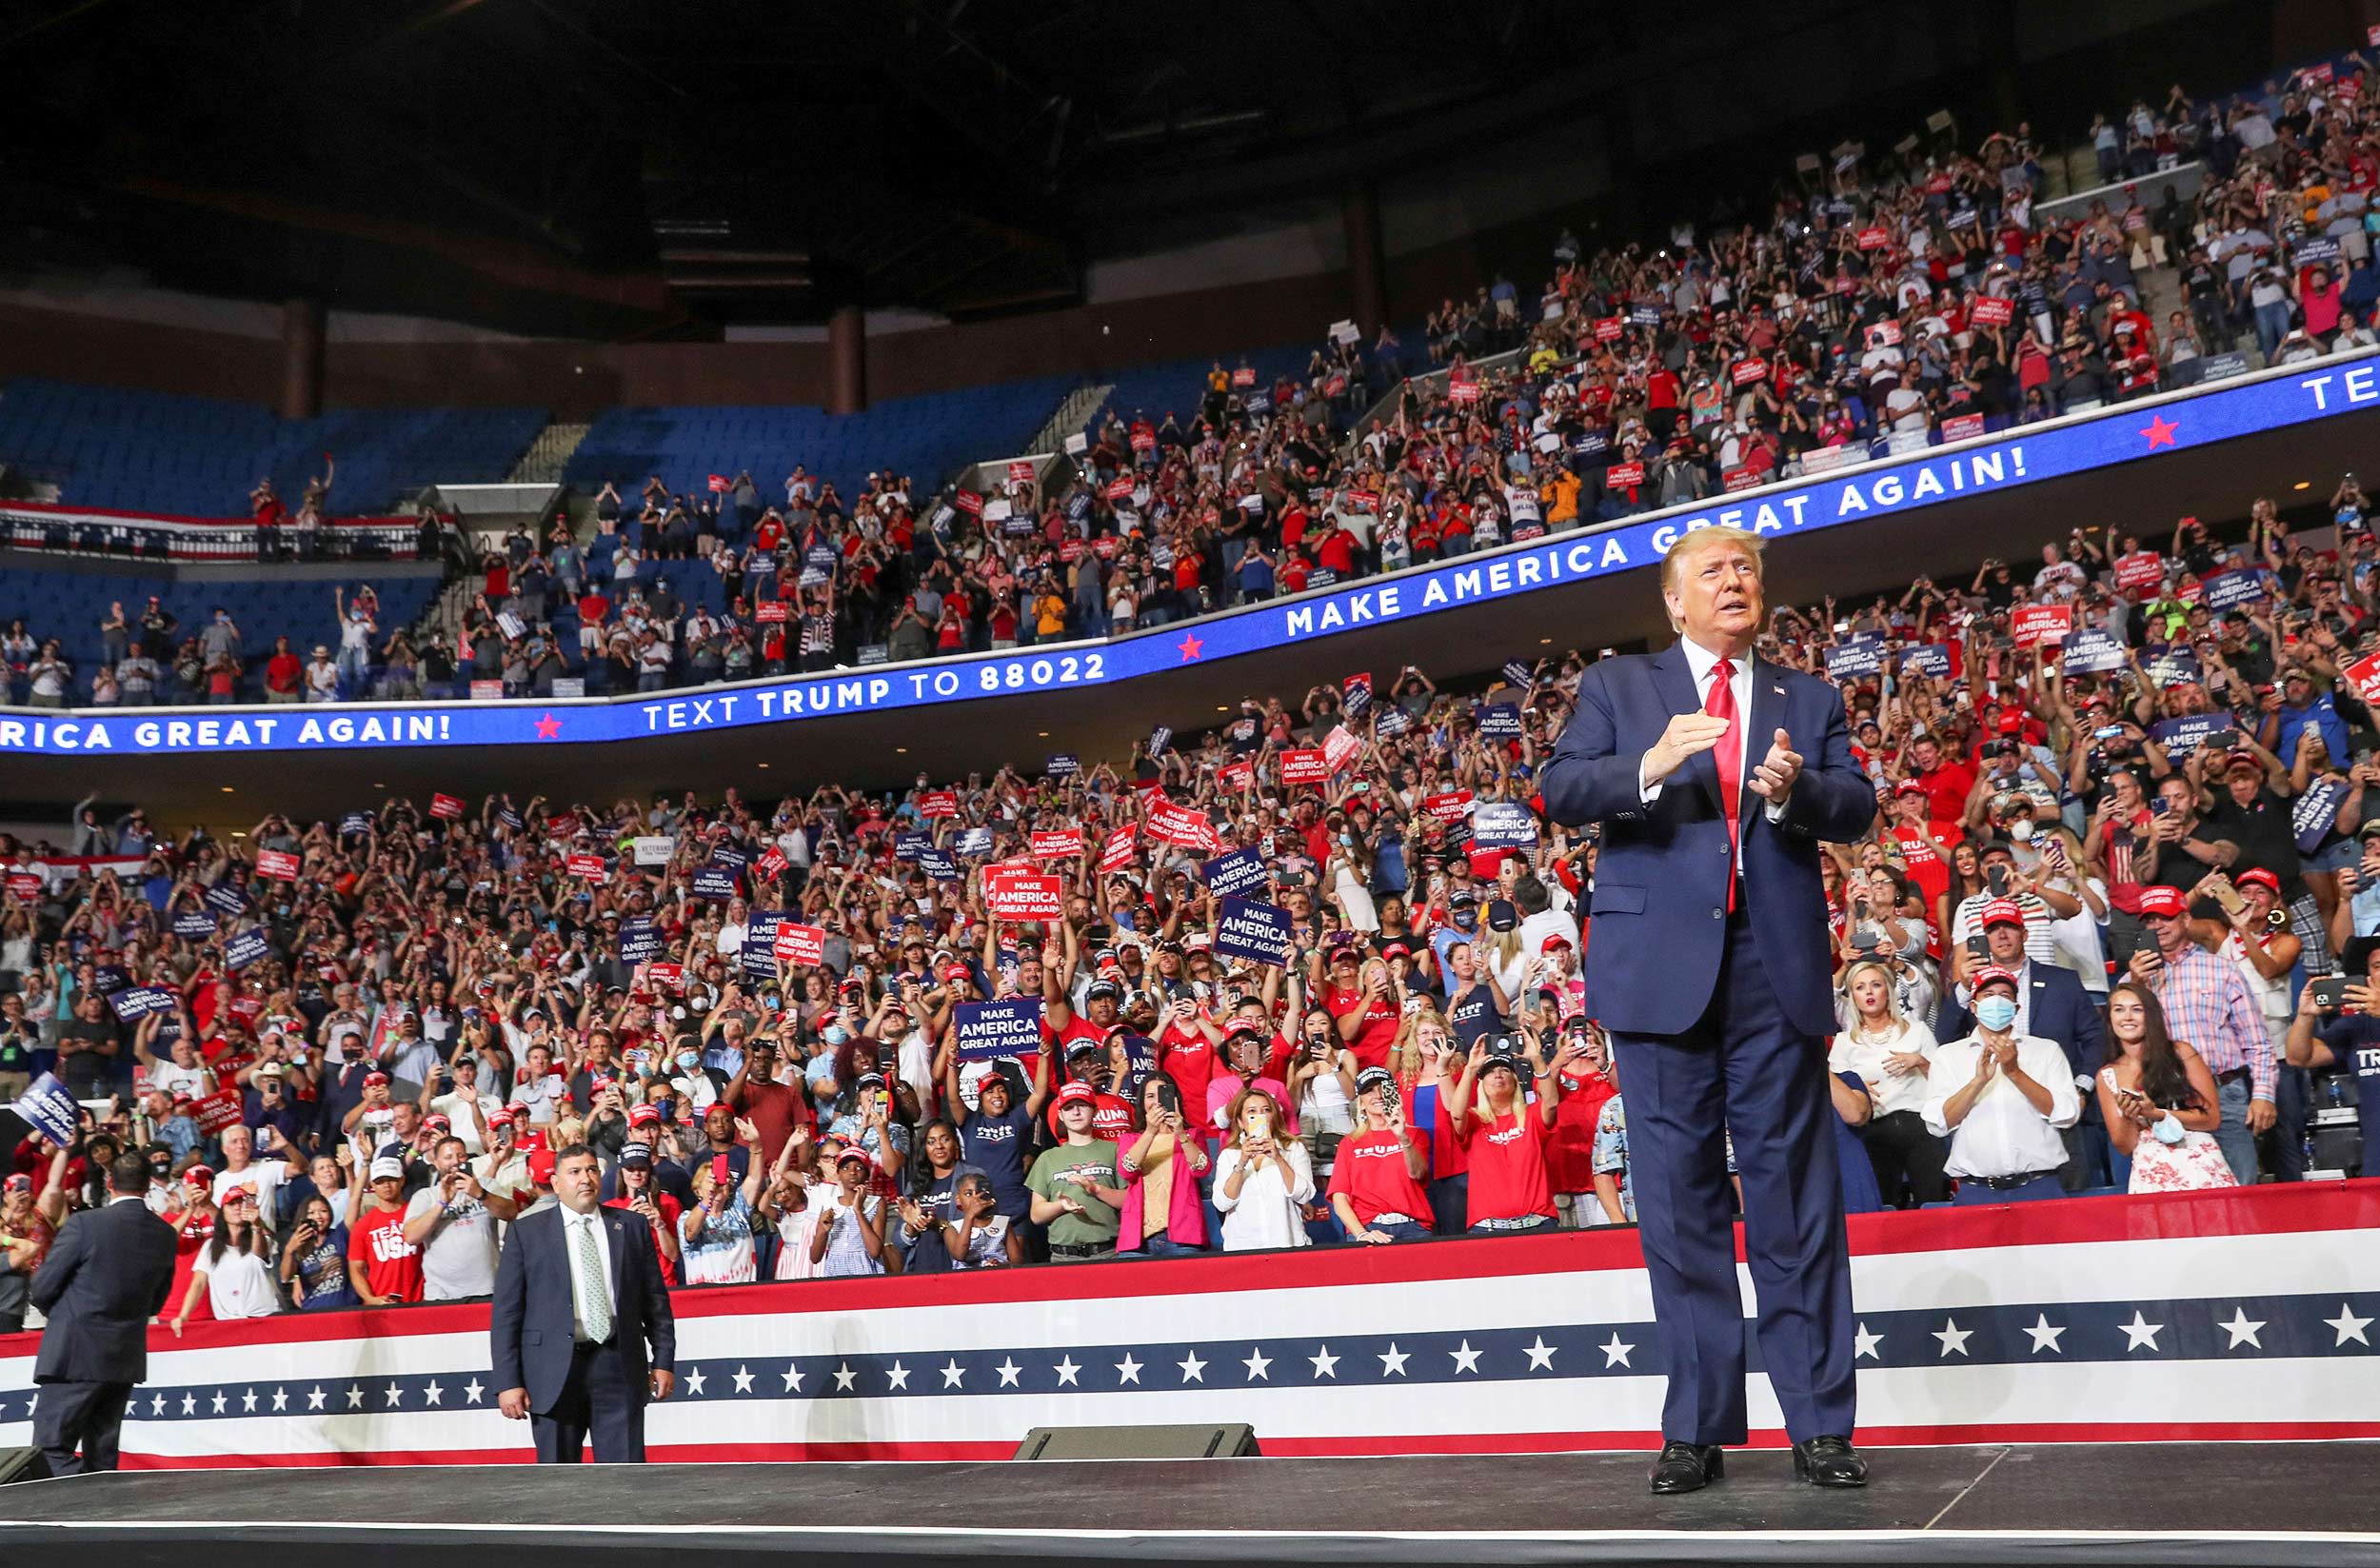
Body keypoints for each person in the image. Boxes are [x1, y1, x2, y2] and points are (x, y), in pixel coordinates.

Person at [1538, 526, 1876, 1492]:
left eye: (1747, 570)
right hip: (1657, 975)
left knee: (1795, 1202)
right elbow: (1560, 787)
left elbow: (1856, 804)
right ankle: (1696, 1426)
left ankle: (1820, 1425)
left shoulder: (1808, 697)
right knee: (1679, 1207)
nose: (1735, 582)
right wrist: (1647, 765)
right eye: (1714, 571)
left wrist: (1797, 792)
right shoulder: (1618, 686)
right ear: (1674, 601)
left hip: (1774, 969)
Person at [490, 1143, 678, 1464]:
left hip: (618, 1364)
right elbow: (507, 1314)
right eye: (574, 1172)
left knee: (625, 1479)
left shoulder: (631, 1226)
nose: (585, 1178)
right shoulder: (526, 1233)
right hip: (551, 1373)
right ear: (556, 1183)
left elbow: (655, 1301)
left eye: (592, 1170)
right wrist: (508, 1382)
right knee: (559, 1481)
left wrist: (663, 1361)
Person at [29, 1149, 177, 1476]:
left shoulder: (85, 1224)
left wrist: (64, 1315)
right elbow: (156, 1302)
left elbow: (42, 1287)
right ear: (147, 1185)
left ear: (110, 1182)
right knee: (103, 1458)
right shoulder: (165, 1234)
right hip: (123, 1357)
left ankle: (77, 1501)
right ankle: (97, 1506)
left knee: (51, 1448)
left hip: (74, 1354)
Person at [2129, 883, 2272, 1183]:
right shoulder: (2134, 979)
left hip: (2224, 1092)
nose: (2157, 926)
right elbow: (2123, 1043)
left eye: (2166, 917)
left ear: (2185, 919)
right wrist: (2136, 984)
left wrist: (2263, 1095)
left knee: (2239, 1189)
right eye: (2150, 920)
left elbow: (2257, 1042)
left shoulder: (2222, 969)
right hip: (2163, 1097)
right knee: (2177, 1192)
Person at [1920, 966, 2083, 1202]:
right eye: (1988, 995)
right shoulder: (1948, 1056)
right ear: (1973, 1006)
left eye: (2005, 995)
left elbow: (2067, 1114)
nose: (1996, 1001)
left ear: (2016, 1008)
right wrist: (1978, 1082)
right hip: (1976, 1190)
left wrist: (2015, 1073)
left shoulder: (2046, 1050)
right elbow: (1938, 1124)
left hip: (2040, 1186)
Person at [2095, 982, 2237, 1192]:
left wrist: (2157, 1114)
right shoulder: (2106, 1075)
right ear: (2109, 1018)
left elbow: (2211, 1118)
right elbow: (2125, 1146)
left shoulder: (2181, 1053)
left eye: (2137, 1009)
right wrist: (2128, 1115)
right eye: (2119, 1010)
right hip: (2151, 1172)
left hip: (2197, 1164)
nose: (2127, 1017)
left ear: (2151, 1016)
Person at [1828, 958, 1946, 1207]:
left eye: (1876, 985)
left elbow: (1945, 1082)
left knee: (1933, 1203)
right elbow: (1835, 1093)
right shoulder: (1844, 1042)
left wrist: (1921, 1062)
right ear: (1853, 997)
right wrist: (1856, 1088)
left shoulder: (1918, 1030)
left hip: (1920, 1127)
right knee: (1882, 1207)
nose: (1869, 992)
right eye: (1860, 987)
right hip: (1873, 1131)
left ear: (1888, 990)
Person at [1212, 1087, 1314, 1251]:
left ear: (1274, 1116)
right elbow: (1222, 1203)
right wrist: (1242, 1162)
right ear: (1240, 1121)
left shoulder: (1293, 1149)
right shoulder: (1228, 1155)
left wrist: (1278, 1158)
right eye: (1251, 1112)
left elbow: (1304, 1195)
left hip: (1287, 1242)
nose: (1260, 1116)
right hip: (1242, 1247)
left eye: (1266, 1110)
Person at [169, 1183, 278, 1326]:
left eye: (241, 1203)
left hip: (263, 1318)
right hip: (227, 1322)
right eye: (231, 1204)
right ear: (223, 1213)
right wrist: (184, 1316)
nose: (237, 1207)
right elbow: (199, 1283)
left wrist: (257, 1227)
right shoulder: (210, 1246)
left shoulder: (261, 1238)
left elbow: (260, 1253)